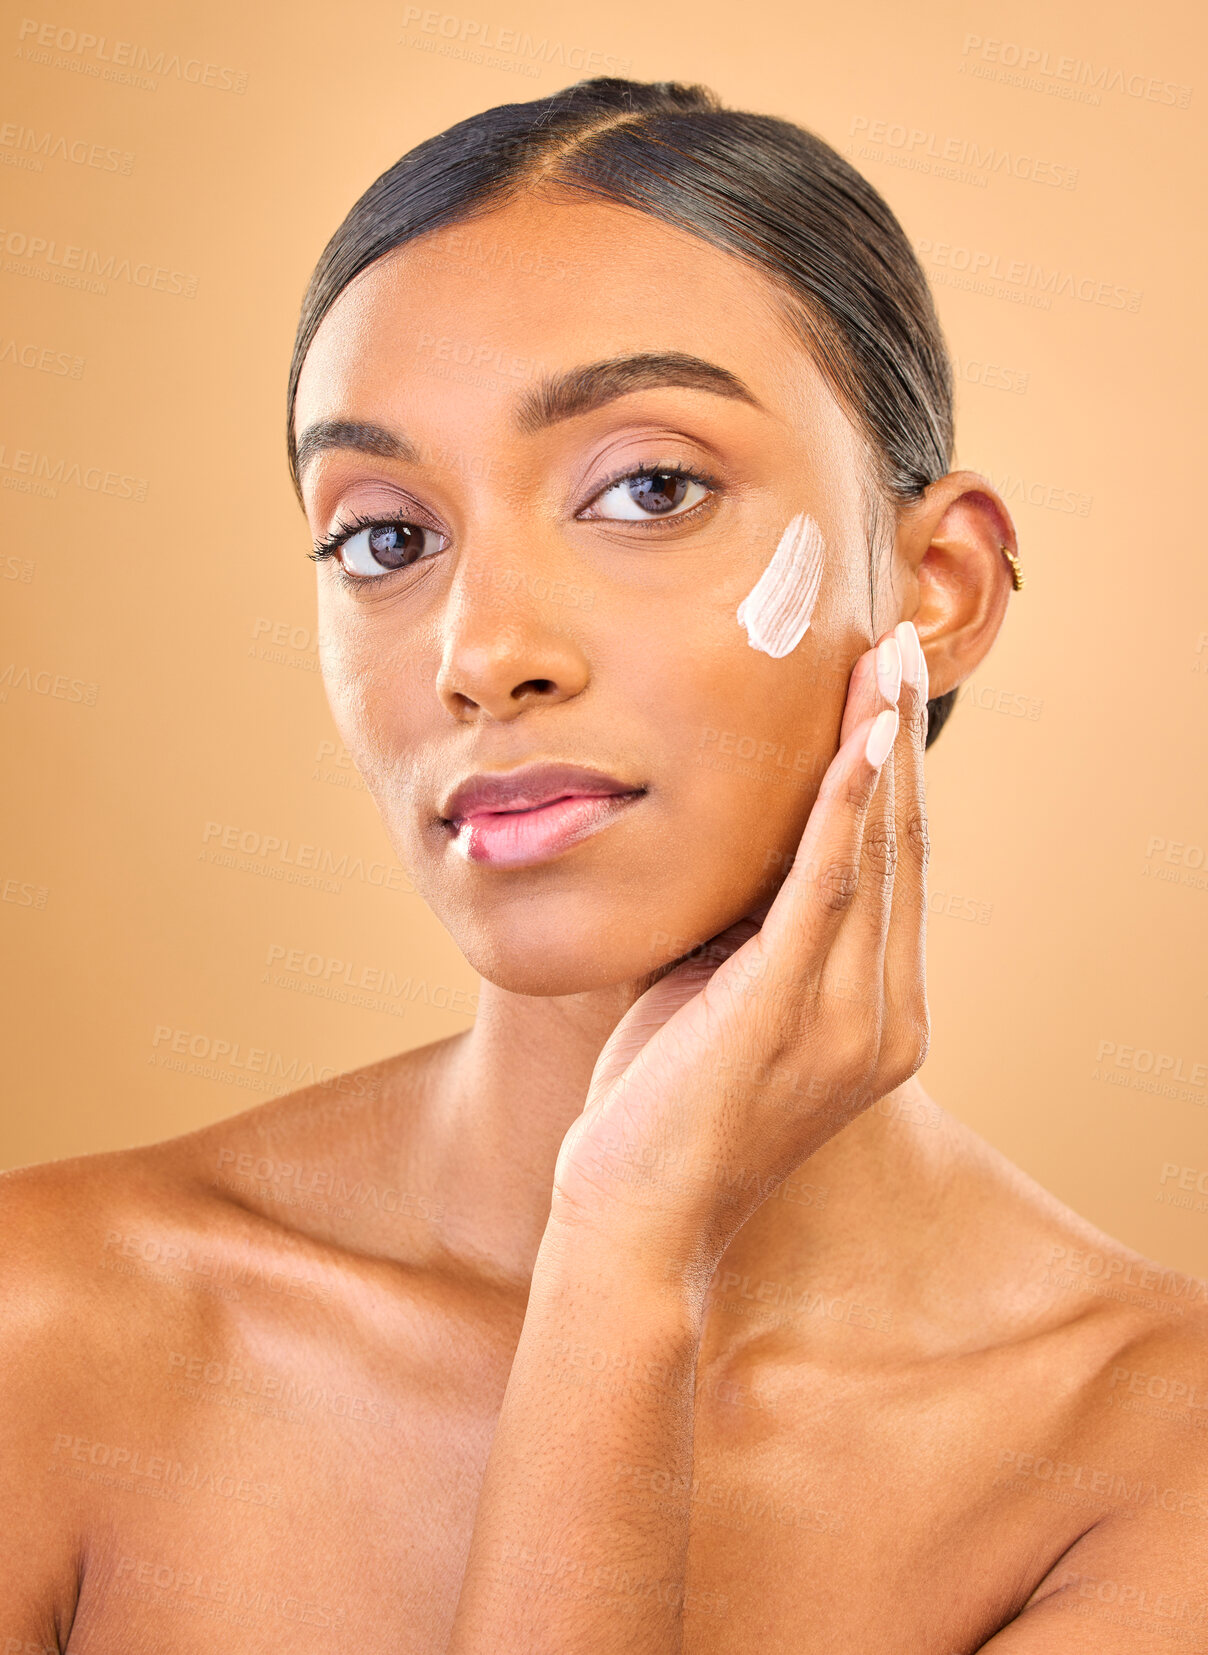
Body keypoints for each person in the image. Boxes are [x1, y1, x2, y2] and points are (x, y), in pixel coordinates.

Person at [2, 76, 1203, 1653]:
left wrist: (628, 1266)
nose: (481, 654)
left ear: (939, 586)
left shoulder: (1147, 1461)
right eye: (385, 537)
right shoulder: (56, 1330)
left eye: (649, 487)